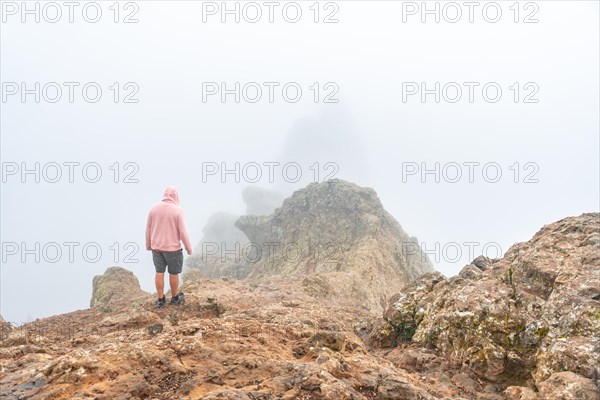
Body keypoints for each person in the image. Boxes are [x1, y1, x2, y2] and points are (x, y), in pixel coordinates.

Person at [146, 186, 193, 308]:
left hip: (157, 248)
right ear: (176, 197)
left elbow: (148, 229)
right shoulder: (178, 210)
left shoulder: (153, 209)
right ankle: (174, 298)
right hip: (173, 249)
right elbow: (183, 232)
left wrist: (148, 244)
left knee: (159, 272)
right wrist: (189, 248)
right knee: (173, 273)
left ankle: (161, 300)